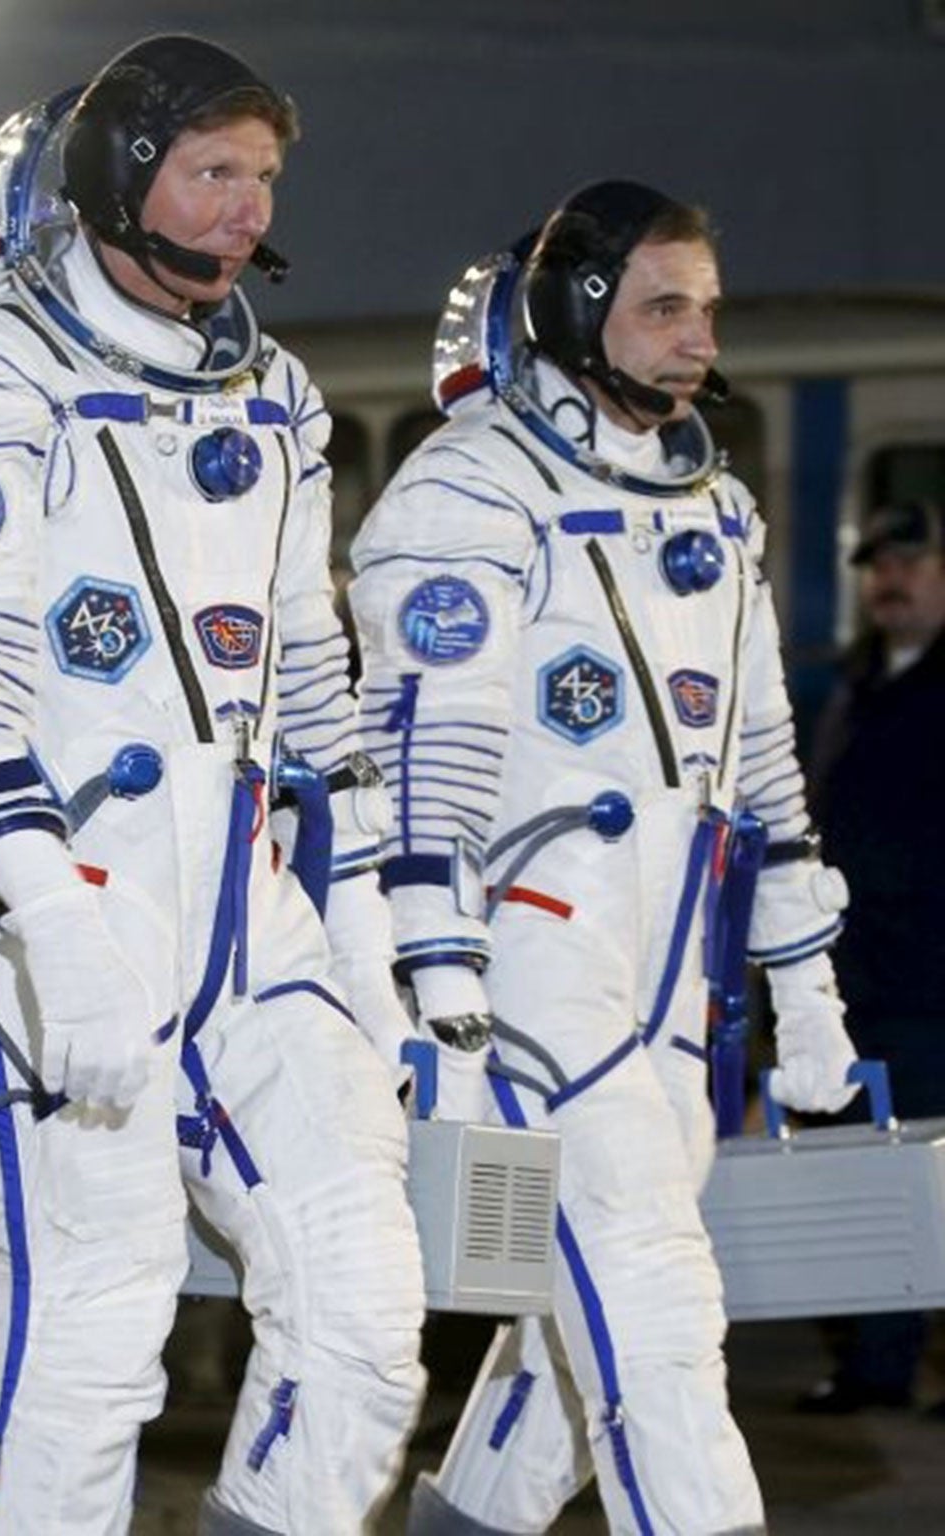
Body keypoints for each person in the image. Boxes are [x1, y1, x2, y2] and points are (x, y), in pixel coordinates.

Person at [0, 36, 426, 1535]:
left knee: (368, 1306)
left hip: (245, 907)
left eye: (266, 178)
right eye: (214, 173)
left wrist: (367, 938)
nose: (249, 211)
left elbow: (312, 676)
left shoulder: (274, 394)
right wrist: (56, 926)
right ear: (119, 180)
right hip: (40, 900)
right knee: (100, 1337)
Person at [350, 181, 860, 1534]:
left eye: (706, 309)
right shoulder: (470, 492)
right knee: (655, 1298)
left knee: (582, 1331)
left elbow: (760, 760)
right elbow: (422, 764)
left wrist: (809, 992)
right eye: (664, 308)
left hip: (672, 967)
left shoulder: (713, 507)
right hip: (533, 952)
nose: (697, 338)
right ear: (580, 312)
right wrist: (437, 985)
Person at [797, 498, 945, 1413]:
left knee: (931, 1182)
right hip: (862, 983)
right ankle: (874, 1367)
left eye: (913, 564)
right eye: (878, 568)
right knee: (870, 1172)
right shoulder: (860, 682)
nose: (890, 582)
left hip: (935, 983)